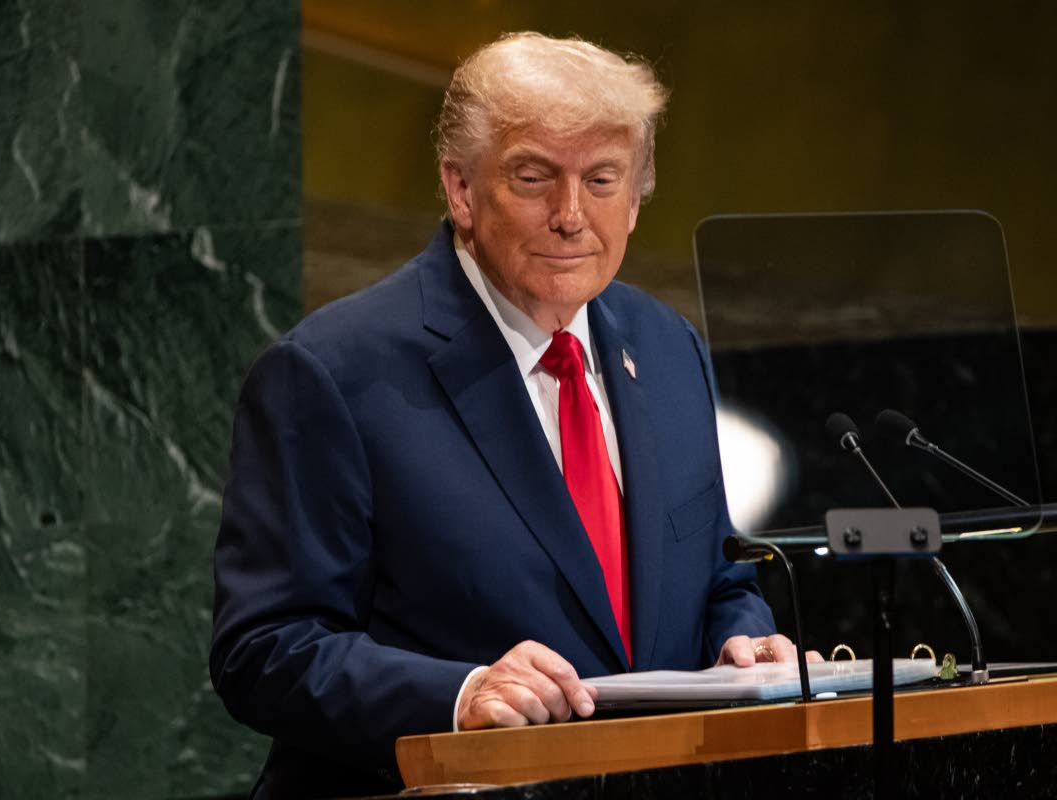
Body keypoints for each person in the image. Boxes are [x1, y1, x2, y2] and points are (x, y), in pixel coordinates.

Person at [211, 32, 817, 800]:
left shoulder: (668, 347)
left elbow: (716, 574)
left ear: (635, 198)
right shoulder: (329, 373)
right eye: (534, 177)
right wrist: (460, 696)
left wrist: (741, 638)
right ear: (461, 189)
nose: (571, 215)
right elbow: (263, 650)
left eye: (602, 179)